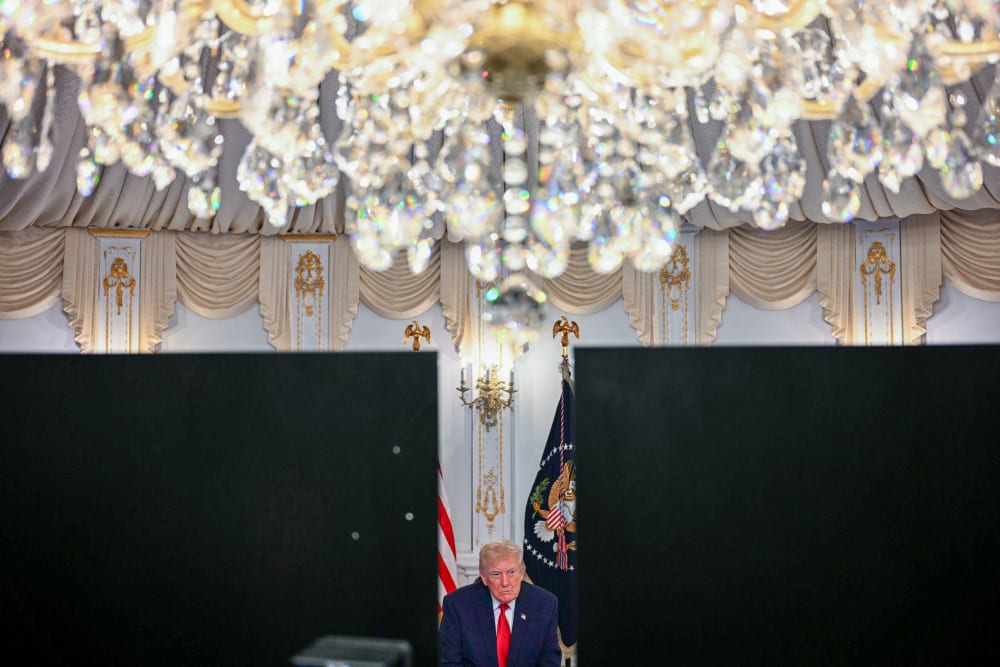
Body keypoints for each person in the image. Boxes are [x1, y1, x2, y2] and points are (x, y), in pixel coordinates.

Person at [439, 540, 562, 667]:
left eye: (511, 572)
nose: (505, 582)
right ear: (484, 577)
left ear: (521, 573)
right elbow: (448, 662)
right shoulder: (458, 605)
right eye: (496, 574)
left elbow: (550, 662)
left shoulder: (544, 604)